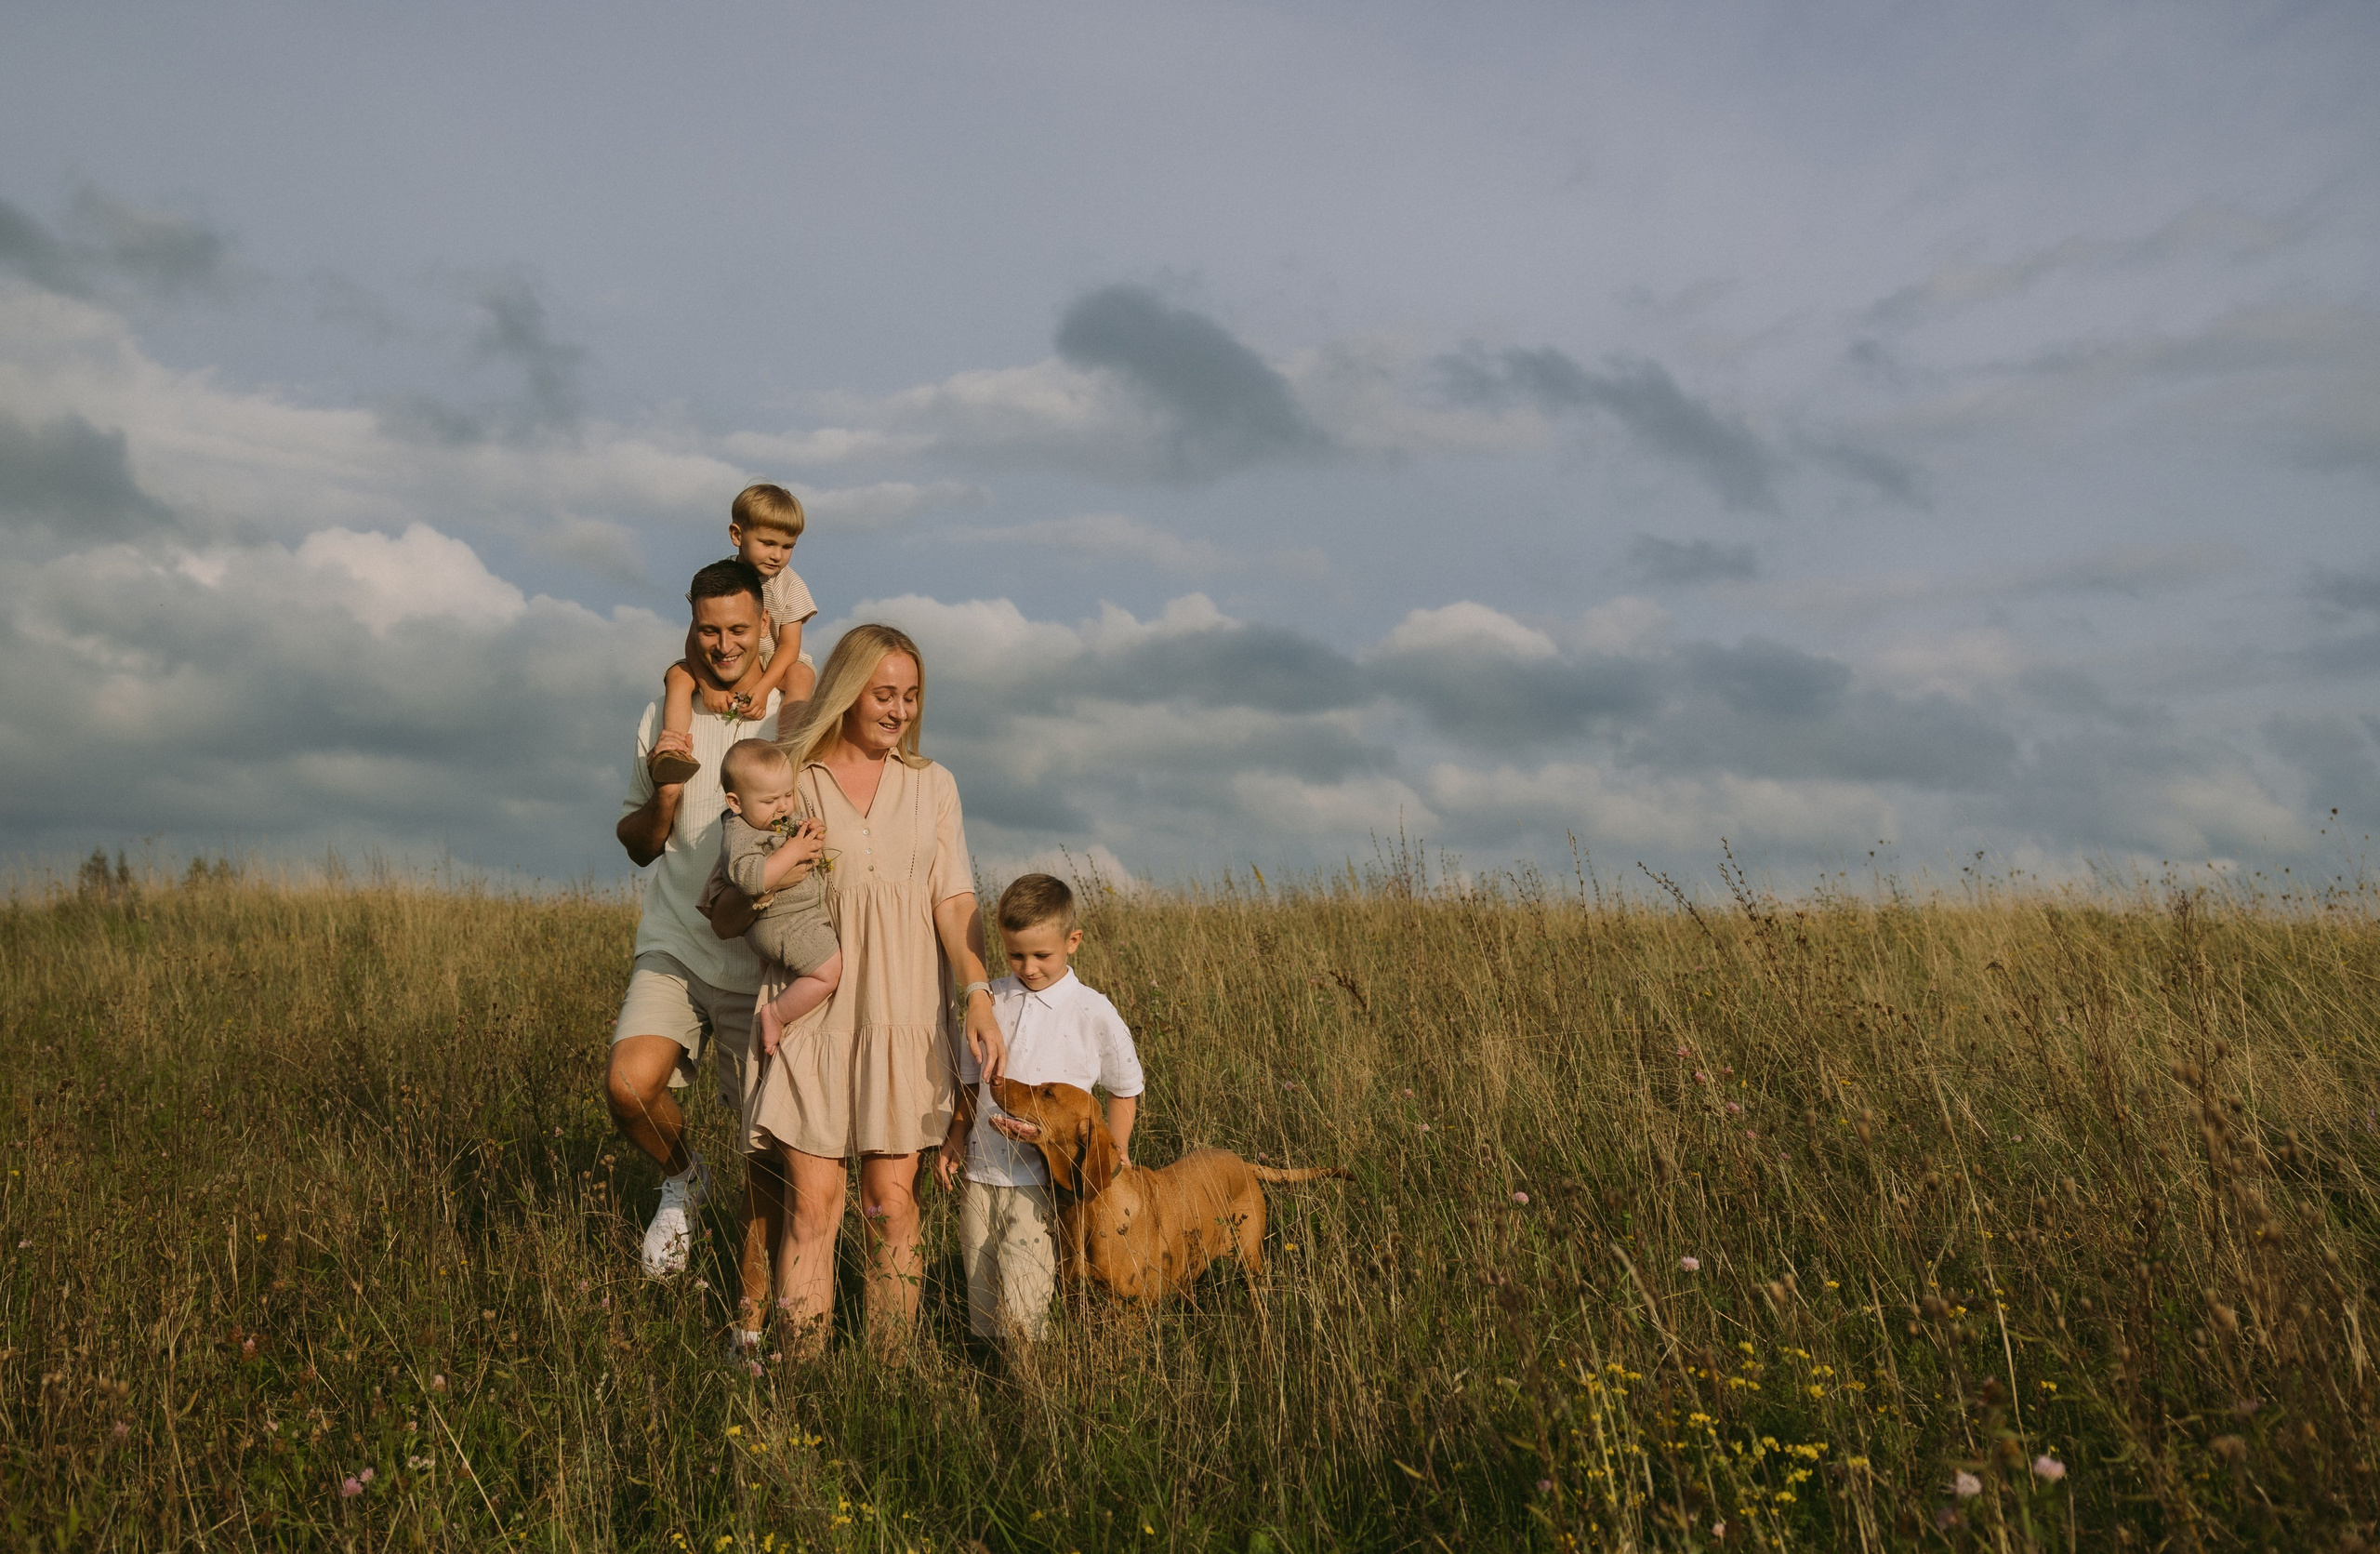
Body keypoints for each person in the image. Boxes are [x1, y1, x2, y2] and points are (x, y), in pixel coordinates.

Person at [707, 623, 1007, 1356]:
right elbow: (722, 909)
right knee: (814, 1204)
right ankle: (800, 1376)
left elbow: (954, 899)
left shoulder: (933, 784)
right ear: (847, 692)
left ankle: (886, 1387)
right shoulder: (790, 777)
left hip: (903, 1015)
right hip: (810, 1019)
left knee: (890, 1205)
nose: (899, 710)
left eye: (910, 696)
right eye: (884, 694)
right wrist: (760, 890)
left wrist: (976, 991)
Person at [607, 559, 785, 1319]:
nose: (722, 644)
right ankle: (682, 1176)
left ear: (763, 625)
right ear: (691, 623)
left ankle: (749, 1319)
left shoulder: (791, 713)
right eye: (708, 629)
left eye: (738, 629)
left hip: (762, 959)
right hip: (676, 940)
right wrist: (667, 797)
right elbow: (639, 843)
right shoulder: (661, 718)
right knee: (628, 1085)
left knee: (766, 1151)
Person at [934, 872, 1143, 1345]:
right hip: (981, 1170)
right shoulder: (991, 1002)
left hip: (1043, 1181)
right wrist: (954, 1137)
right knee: (980, 1287)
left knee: (1025, 1297)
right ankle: (987, 1372)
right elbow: (972, 1082)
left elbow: (1125, 1087)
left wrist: (1116, 1150)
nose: (1028, 967)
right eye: (1015, 955)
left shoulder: (1092, 1011)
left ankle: (1030, 1374)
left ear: (1073, 942)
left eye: (1041, 955)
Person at [651, 484, 820, 785]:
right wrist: (706, 685)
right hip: (726, 658)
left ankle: (789, 750)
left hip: (776, 661)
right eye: (768, 543)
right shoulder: (718, 578)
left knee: (801, 676)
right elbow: (695, 640)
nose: (777, 555)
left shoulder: (790, 585)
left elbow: (790, 646)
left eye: (787, 546)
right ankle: (674, 749)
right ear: (737, 535)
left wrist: (765, 688)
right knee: (678, 674)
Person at [716, 737, 842, 1055]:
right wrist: (793, 851)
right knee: (829, 973)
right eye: (771, 800)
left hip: (791, 920)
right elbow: (751, 879)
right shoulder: (739, 833)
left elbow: (796, 829)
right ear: (736, 802)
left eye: (788, 794)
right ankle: (776, 1014)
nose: (784, 806)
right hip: (783, 923)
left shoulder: (772, 820)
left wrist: (811, 829)